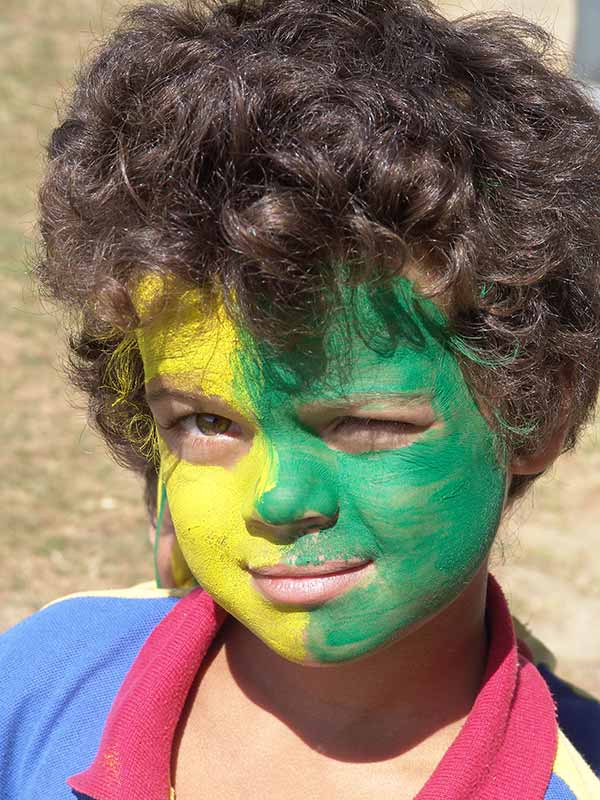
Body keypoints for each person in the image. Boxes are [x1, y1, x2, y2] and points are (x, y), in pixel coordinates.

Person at [1, 0, 600, 797]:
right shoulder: (44, 678)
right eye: (207, 422)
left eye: (364, 423)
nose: (281, 498)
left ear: (537, 410)